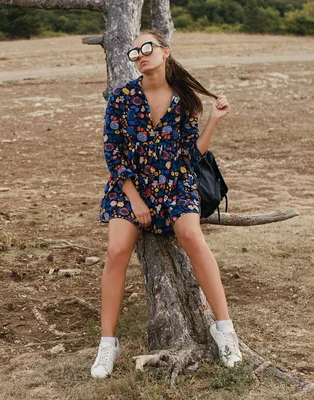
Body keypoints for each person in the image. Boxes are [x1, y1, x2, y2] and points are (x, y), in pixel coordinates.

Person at [90, 29, 242, 379]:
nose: (141, 55)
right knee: (116, 251)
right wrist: (135, 199)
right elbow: (112, 152)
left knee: (192, 236)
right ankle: (107, 344)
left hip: (174, 184)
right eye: (135, 52)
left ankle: (225, 332)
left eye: (148, 48)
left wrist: (213, 122)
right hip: (130, 186)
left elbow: (190, 156)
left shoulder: (186, 99)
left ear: (165, 51)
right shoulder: (121, 97)